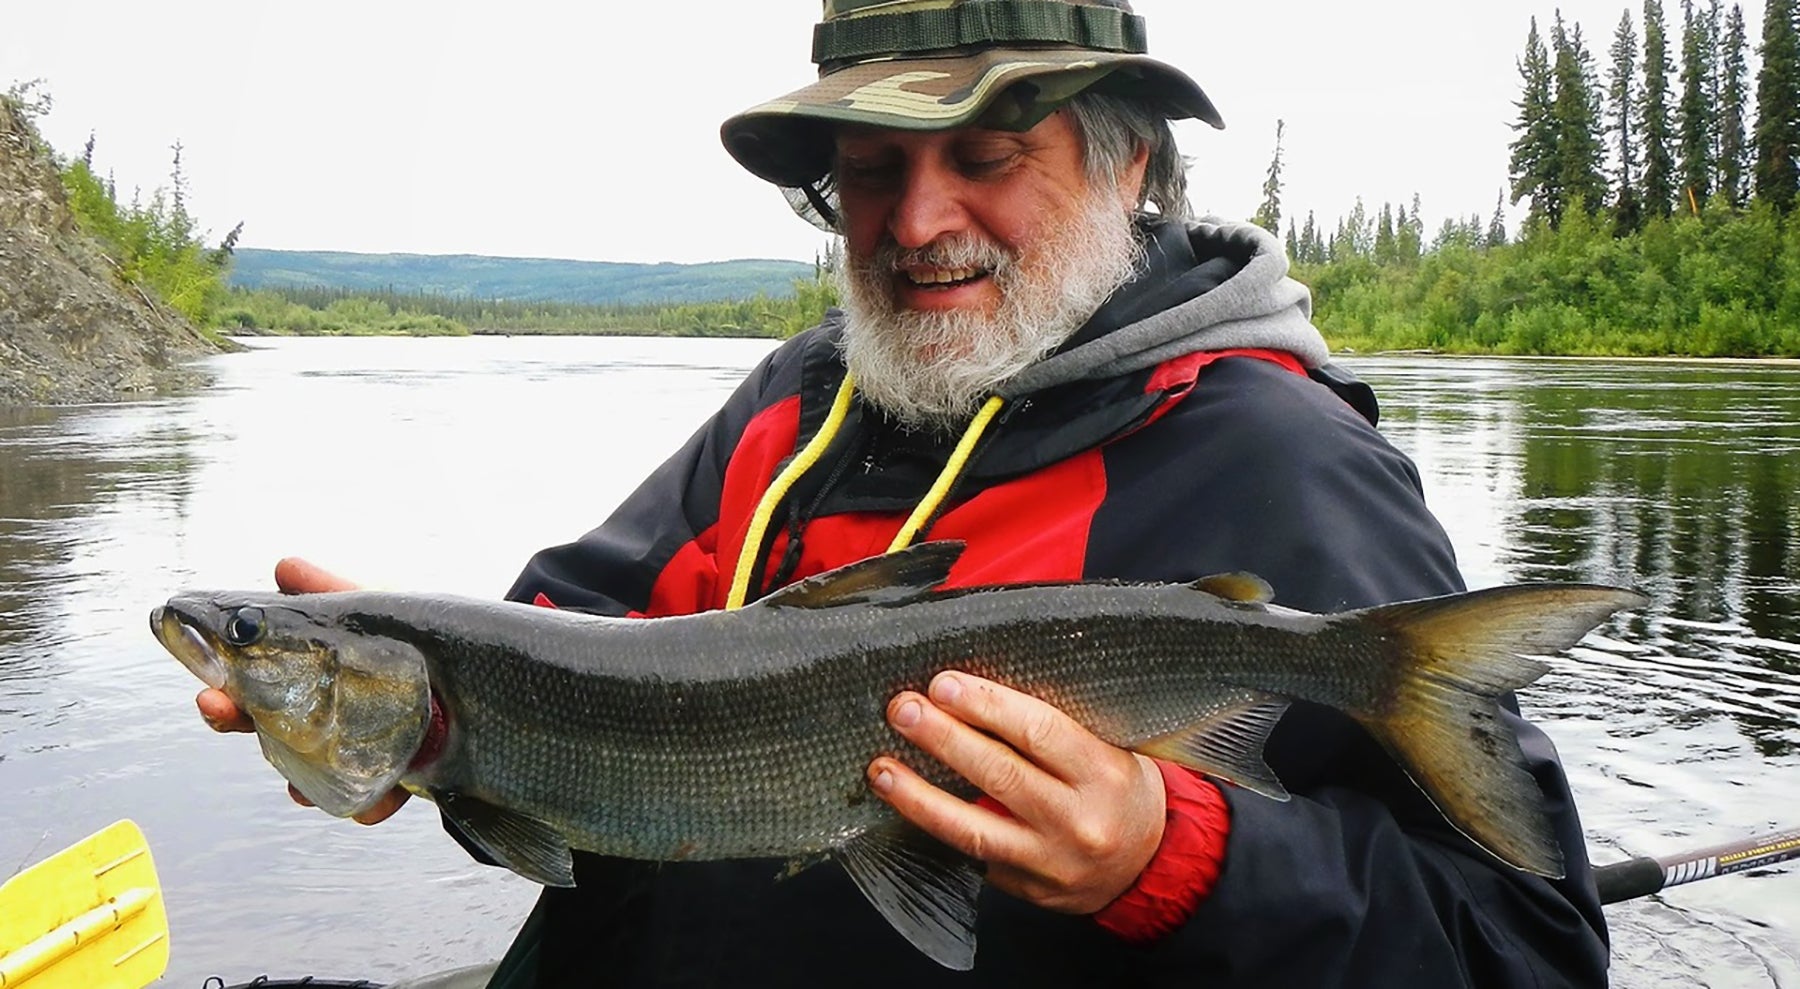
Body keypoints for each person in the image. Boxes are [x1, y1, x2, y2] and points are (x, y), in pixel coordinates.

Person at [199, 1, 1611, 984]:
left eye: (985, 158)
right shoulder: (799, 406)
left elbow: (1524, 954)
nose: (918, 222)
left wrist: (1171, 856)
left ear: (1129, 161)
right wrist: (404, 723)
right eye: (871, 170)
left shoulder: (1279, 463)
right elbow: (574, 632)